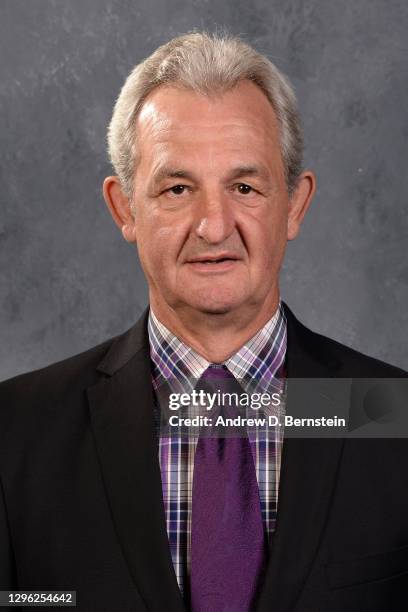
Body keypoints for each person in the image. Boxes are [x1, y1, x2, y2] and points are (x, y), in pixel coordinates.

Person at [0, 32, 407, 612]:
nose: (213, 226)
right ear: (125, 207)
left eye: (244, 187)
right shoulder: (15, 434)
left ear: (294, 203)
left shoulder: (393, 417)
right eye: (177, 188)